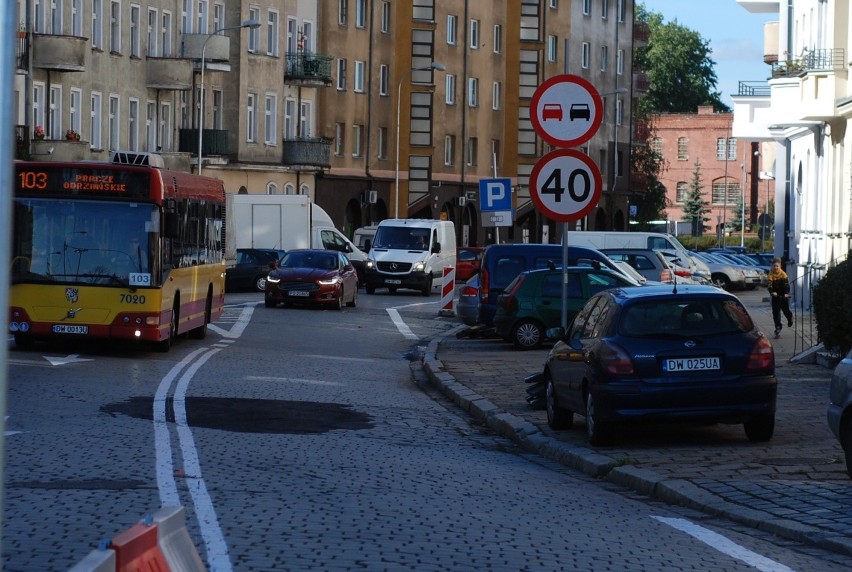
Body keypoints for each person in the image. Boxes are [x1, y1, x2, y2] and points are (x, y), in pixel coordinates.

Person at [767, 257, 793, 339]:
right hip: (775, 296)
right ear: (772, 266)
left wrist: (786, 293)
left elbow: (787, 285)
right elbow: (769, 285)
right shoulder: (770, 275)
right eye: (774, 266)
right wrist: (772, 292)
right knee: (776, 313)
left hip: (783, 295)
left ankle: (790, 317)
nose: (775, 268)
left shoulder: (783, 275)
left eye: (777, 266)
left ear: (780, 266)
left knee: (786, 311)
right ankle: (778, 327)